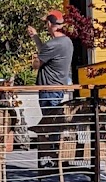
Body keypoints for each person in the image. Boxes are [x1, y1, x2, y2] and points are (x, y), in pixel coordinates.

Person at [27, 9, 74, 168]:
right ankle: (58, 158)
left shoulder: (52, 45)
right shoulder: (67, 42)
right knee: (55, 123)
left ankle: (57, 159)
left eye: (46, 23)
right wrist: (35, 37)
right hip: (59, 89)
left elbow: (37, 63)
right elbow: (46, 53)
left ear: (49, 24)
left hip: (48, 91)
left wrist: (33, 59)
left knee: (51, 125)